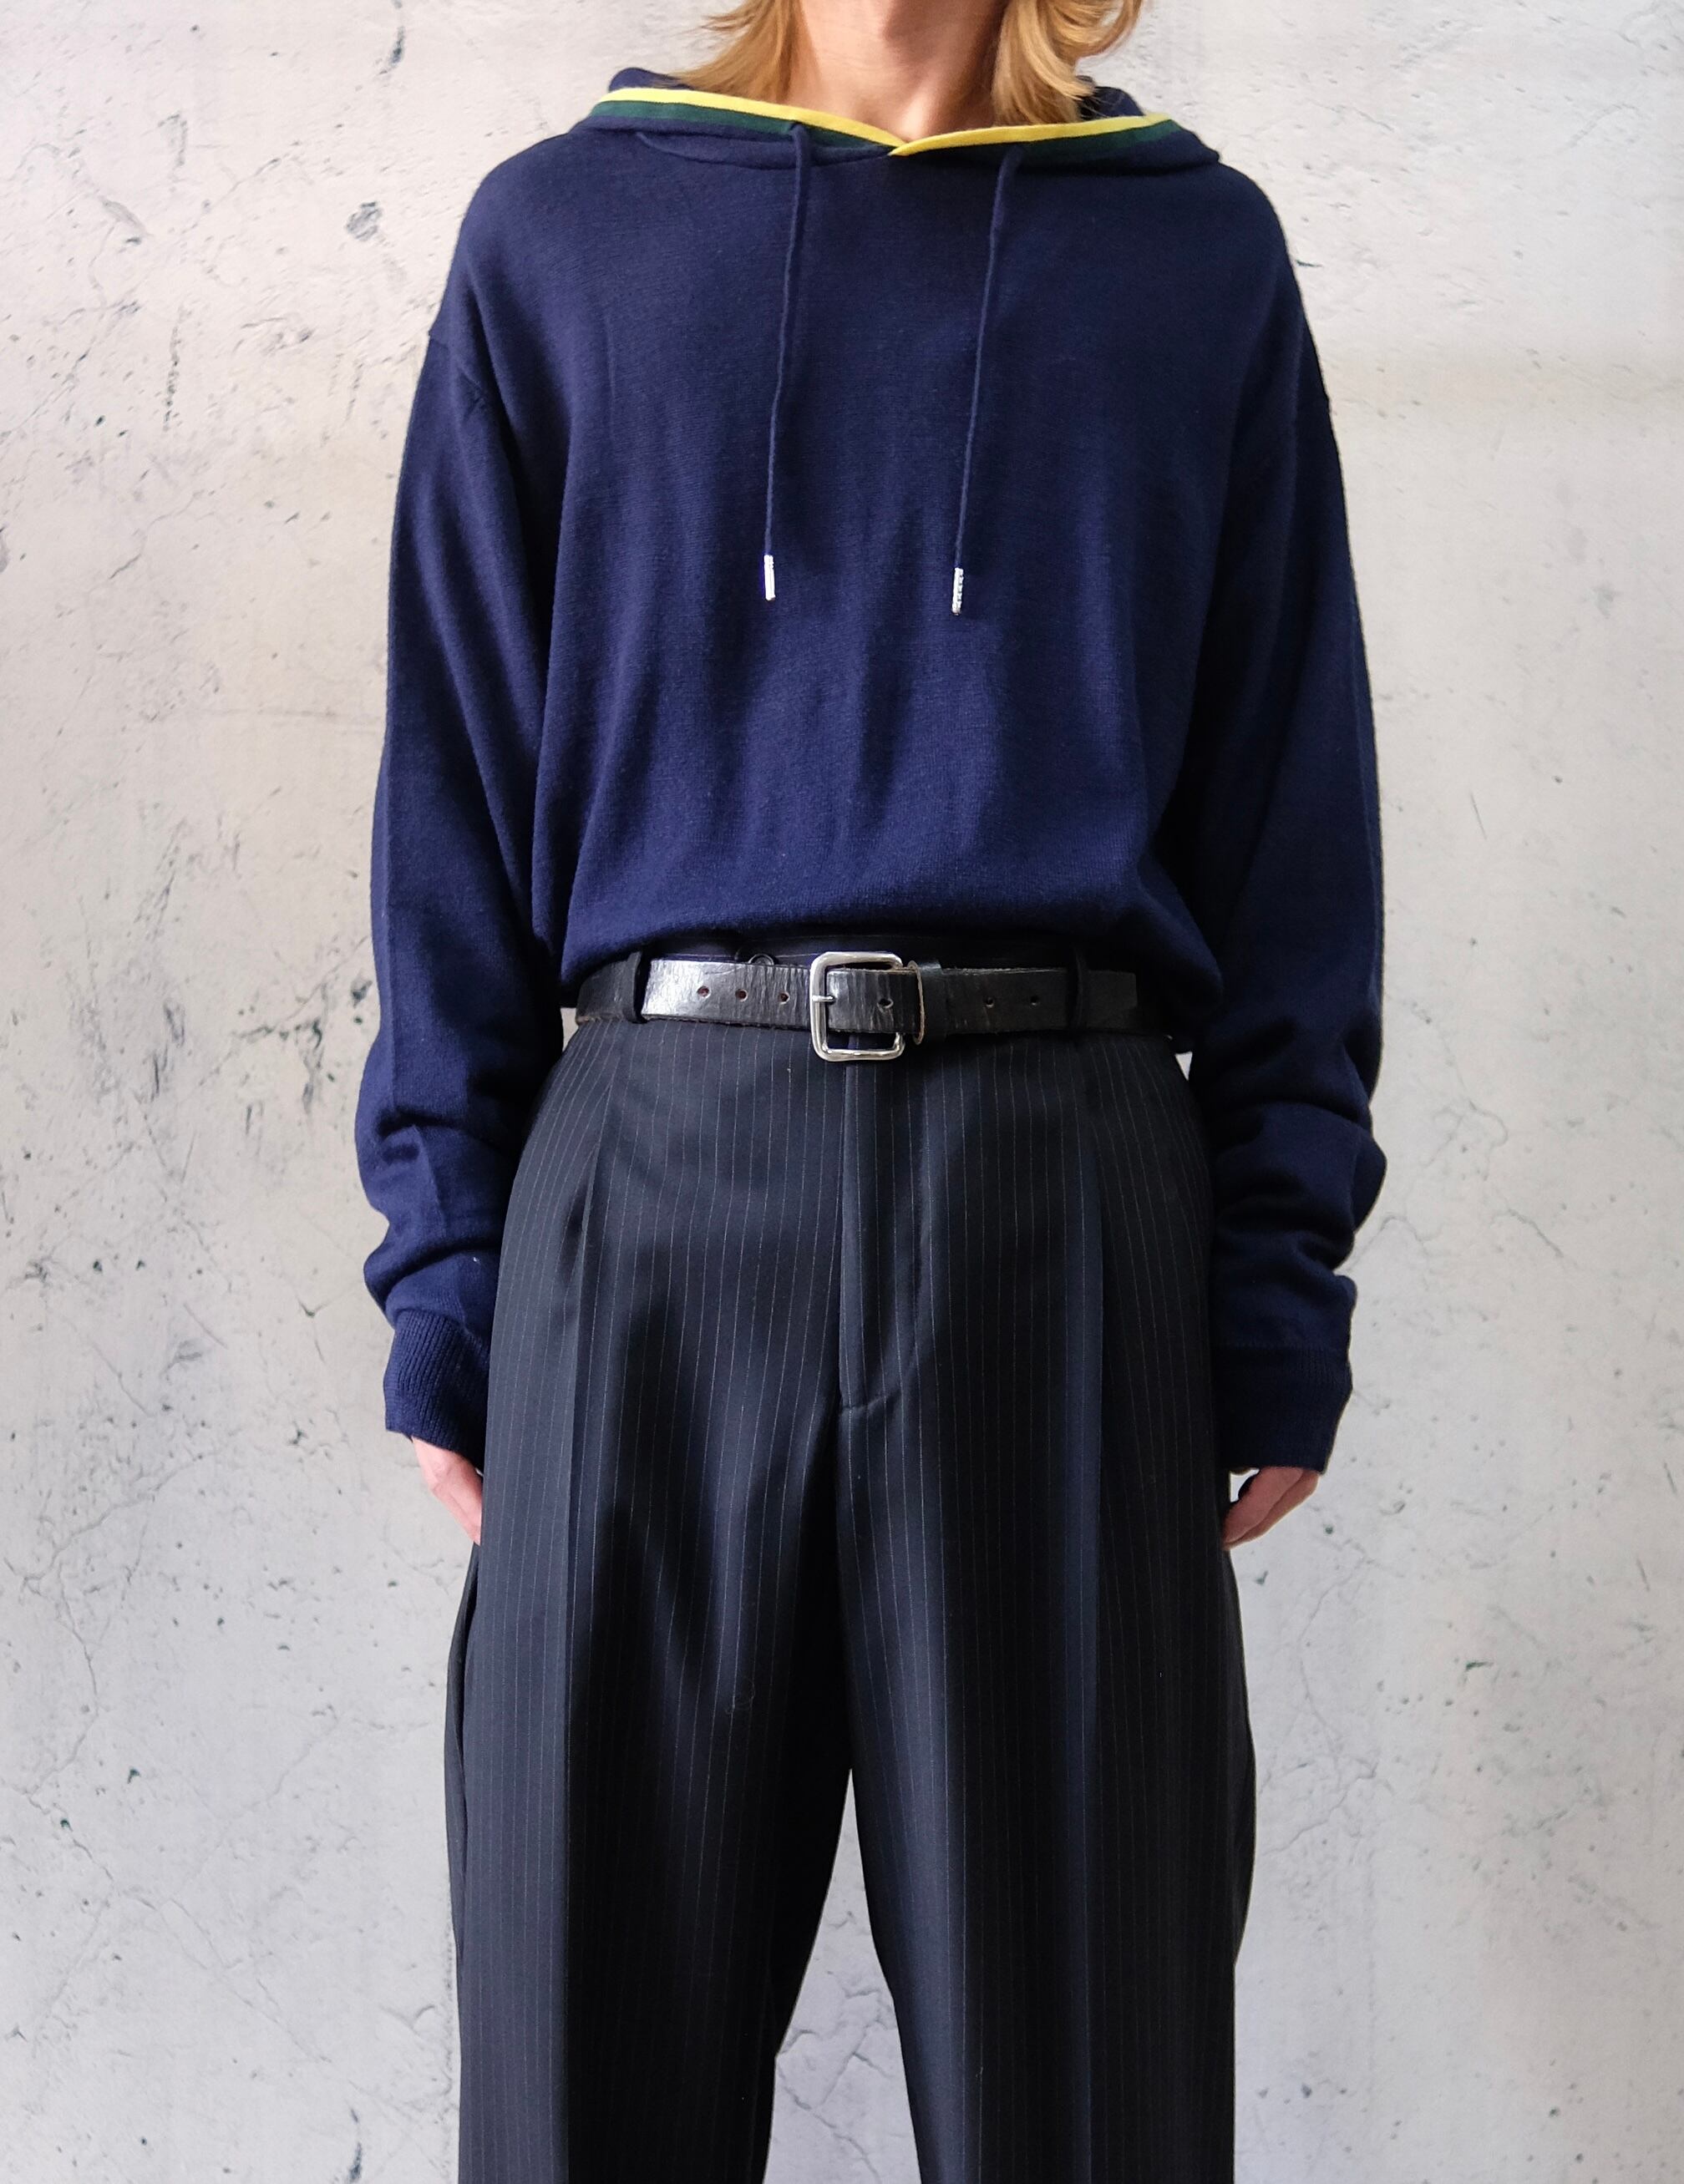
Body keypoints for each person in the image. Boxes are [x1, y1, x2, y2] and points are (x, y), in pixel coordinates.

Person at [353, 0, 1387, 2175]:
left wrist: (1276, 1284)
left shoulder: (1189, 256)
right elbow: (451, 786)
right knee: (587, 2085)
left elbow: (1290, 811)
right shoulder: (564, 237)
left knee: (1083, 2094)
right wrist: (446, 1272)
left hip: (1060, 1194)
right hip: (647, 1185)